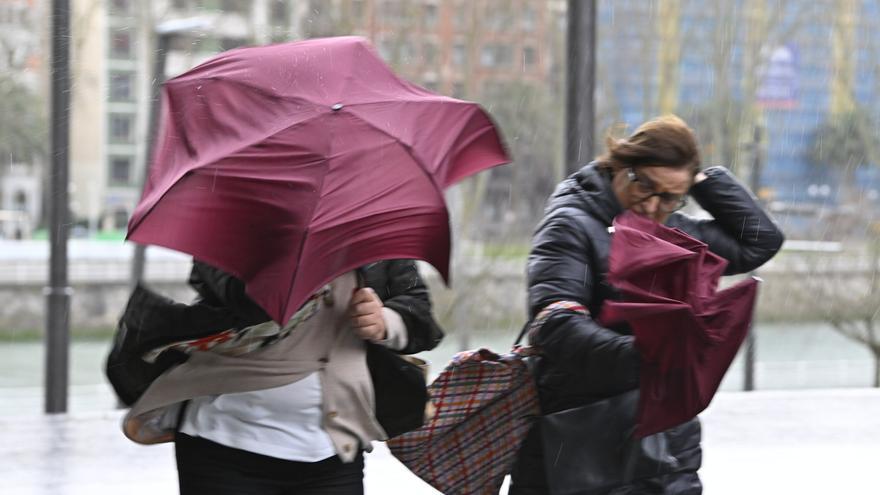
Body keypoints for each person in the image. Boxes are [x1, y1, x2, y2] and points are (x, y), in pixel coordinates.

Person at [508, 115, 784, 494]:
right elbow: (554, 322)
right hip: (581, 437)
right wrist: (648, 356)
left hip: (664, 445)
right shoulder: (570, 224)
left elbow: (759, 241)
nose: (653, 205)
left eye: (670, 196)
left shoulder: (673, 230)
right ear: (619, 165)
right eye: (644, 185)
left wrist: (700, 179)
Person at [106, 259, 443, 495]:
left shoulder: (373, 224)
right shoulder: (235, 215)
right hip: (224, 446)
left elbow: (419, 314)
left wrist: (385, 320)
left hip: (332, 451)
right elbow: (237, 297)